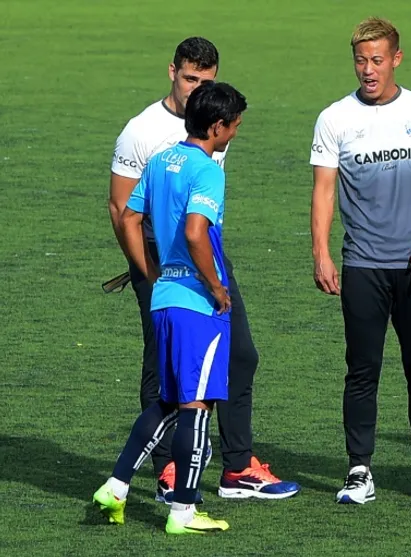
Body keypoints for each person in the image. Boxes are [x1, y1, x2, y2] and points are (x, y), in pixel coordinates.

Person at [108, 36, 299, 502]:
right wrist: (147, 273)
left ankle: (237, 467)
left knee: (241, 355)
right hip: (160, 257)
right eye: (190, 78)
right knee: (164, 366)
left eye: (205, 81)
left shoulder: (206, 124)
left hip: (206, 254)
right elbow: (121, 210)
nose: (196, 89)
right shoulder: (142, 131)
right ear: (172, 71)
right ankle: (170, 470)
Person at [309, 16, 411, 505]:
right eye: (360, 60)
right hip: (362, 265)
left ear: (396, 59)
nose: (368, 69)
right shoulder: (335, 118)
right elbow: (323, 191)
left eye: (377, 60)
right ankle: (359, 471)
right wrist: (321, 252)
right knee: (362, 370)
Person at [94, 81, 247, 534]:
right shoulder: (207, 170)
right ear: (216, 126)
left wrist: (150, 272)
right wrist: (216, 286)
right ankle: (183, 511)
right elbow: (197, 231)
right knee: (197, 408)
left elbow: (129, 216)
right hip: (197, 305)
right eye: (234, 126)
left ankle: (116, 486)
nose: (235, 133)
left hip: (164, 300)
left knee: (166, 403)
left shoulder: (161, 161)